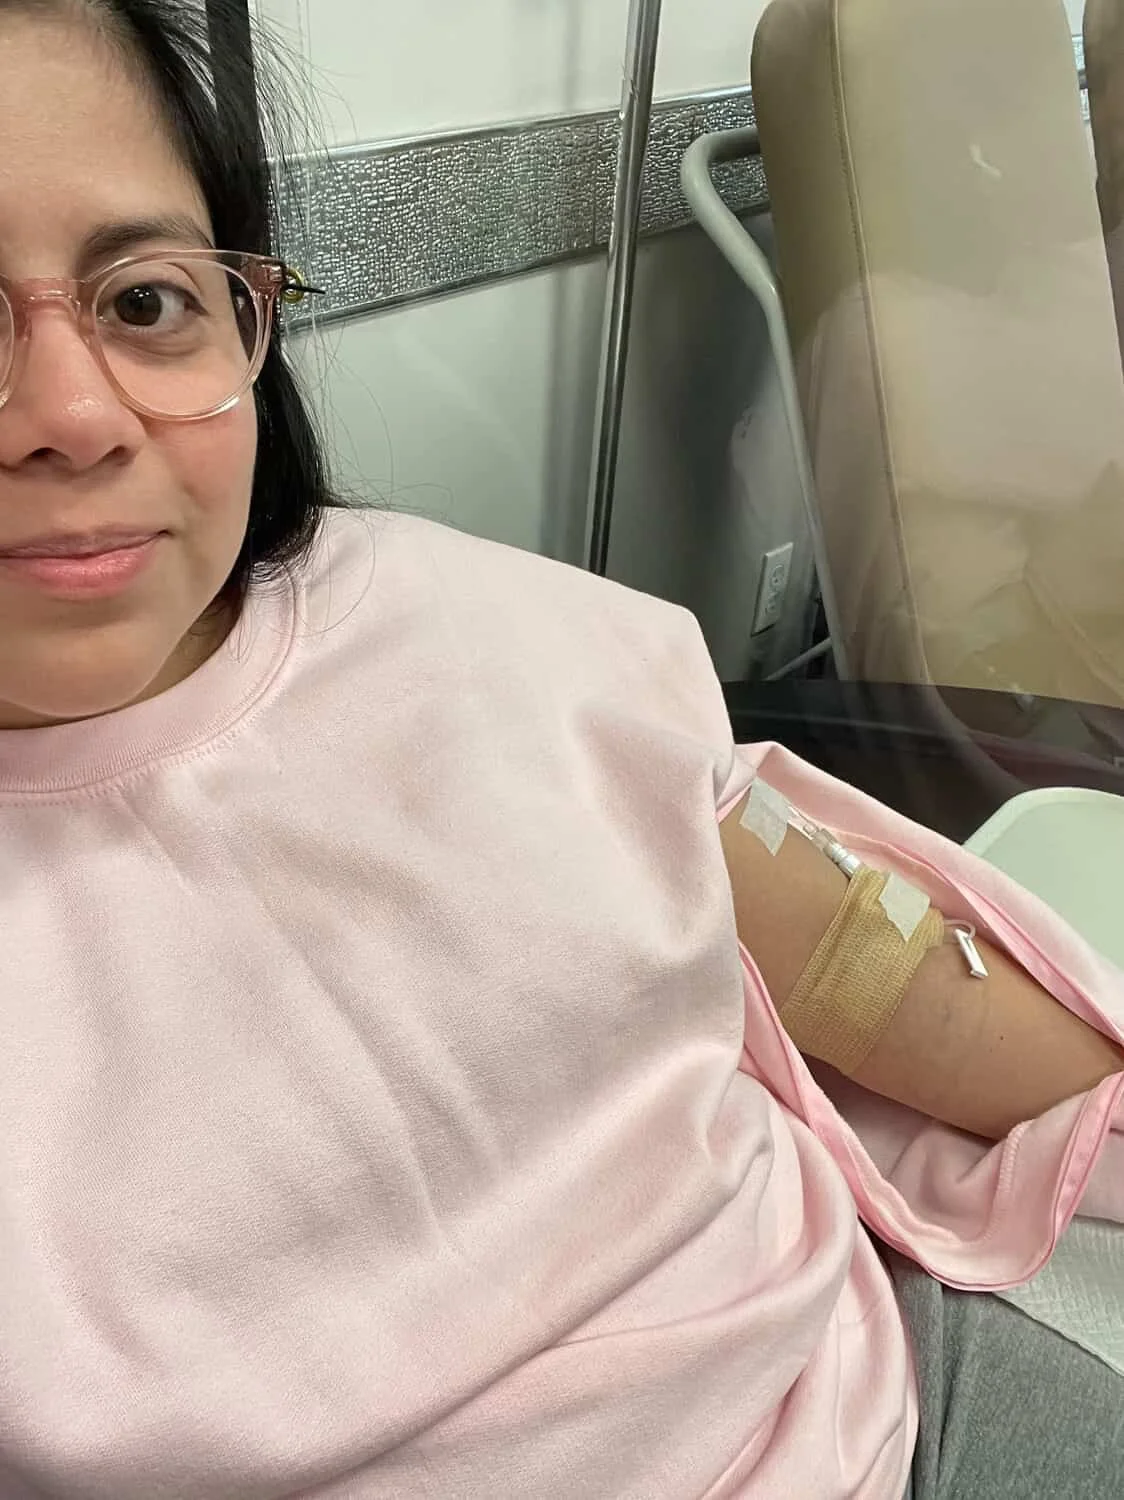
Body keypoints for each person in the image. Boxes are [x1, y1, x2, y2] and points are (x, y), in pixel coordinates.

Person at [0, 3, 1121, 1497]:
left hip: (874, 1405)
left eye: (146, 302)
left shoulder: (494, 639)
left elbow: (871, 964)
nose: (76, 417)